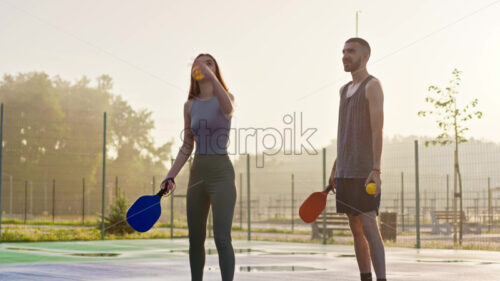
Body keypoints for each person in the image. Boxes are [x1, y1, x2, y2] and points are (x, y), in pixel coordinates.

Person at [161, 53, 236, 281]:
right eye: (199, 62)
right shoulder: (189, 105)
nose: (203, 64)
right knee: (195, 239)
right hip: (197, 174)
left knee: (222, 238)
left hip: (221, 172)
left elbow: (228, 110)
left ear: (216, 69)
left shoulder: (227, 98)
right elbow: (186, 145)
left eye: (209, 61)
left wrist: (210, 74)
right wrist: (170, 175)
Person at [328, 38, 386, 281]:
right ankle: (365, 277)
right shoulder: (343, 91)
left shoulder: (372, 86)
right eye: (343, 51)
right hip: (344, 171)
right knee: (355, 229)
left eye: (350, 51)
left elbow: (377, 129)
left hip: (365, 170)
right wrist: (335, 167)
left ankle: (382, 278)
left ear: (365, 56)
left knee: (370, 225)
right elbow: (345, 132)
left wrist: (376, 169)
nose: (345, 55)